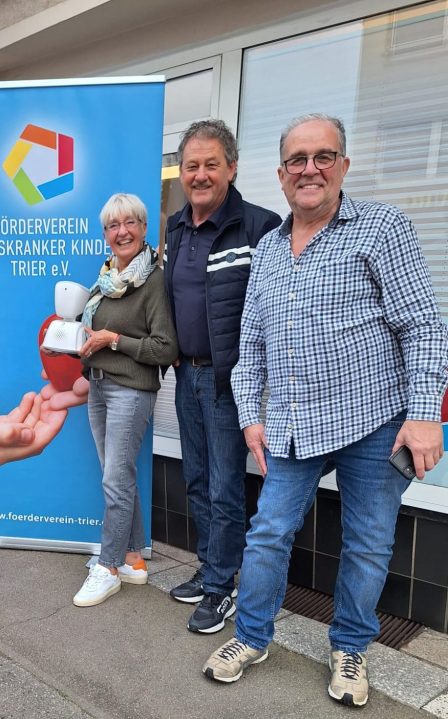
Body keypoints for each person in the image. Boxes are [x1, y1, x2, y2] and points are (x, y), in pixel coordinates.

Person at [203, 114, 448, 707]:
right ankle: (251, 636)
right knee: (268, 534)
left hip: (374, 420)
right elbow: (251, 342)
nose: (309, 169)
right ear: (281, 175)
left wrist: (423, 417)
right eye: (297, 160)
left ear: (343, 164)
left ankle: (350, 647)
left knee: (367, 541)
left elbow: (424, 326)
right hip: (290, 421)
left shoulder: (381, 228)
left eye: (322, 156)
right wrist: (250, 417)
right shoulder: (264, 250)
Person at [164, 120, 281, 633]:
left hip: (230, 382)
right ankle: (211, 569)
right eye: (192, 166)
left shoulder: (260, 226)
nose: (201, 174)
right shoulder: (174, 227)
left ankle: (221, 587)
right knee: (195, 479)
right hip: (185, 376)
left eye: (212, 164)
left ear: (232, 168)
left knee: (225, 487)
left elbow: (273, 311)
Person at [70, 193, 178, 607]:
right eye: (113, 226)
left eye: (130, 223)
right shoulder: (105, 279)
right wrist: (73, 341)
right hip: (98, 386)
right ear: (105, 235)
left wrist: (113, 340)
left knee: (115, 480)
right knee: (117, 477)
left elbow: (165, 348)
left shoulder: (153, 280)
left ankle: (108, 566)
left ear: (144, 228)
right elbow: (94, 331)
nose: (122, 232)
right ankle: (132, 559)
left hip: (131, 391)